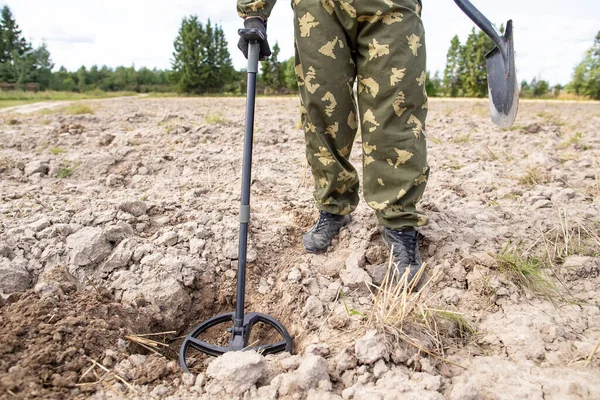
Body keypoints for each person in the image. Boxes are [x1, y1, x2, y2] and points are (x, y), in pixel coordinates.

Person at [237, 0, 429, 282]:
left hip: (391, 5)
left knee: (396, 110)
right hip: (318, 7)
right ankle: (333, 205)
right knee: (324, 112)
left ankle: (398, 220)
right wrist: (255, 10)